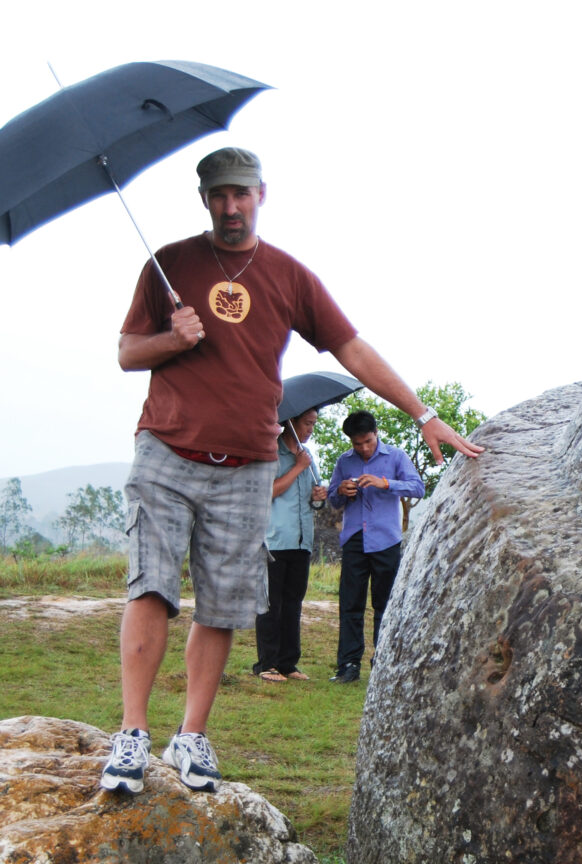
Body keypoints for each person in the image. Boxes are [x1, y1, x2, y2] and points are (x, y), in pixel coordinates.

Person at [100, 147, 482, 796]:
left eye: (240, 193)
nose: (230, 205)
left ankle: (190, 735)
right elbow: (127, 351)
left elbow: (351, 346)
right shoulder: (167, 265)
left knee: (221, 606)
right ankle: (132, 733)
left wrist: (420, 413)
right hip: (166, 450)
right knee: (151, 587)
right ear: (204, 199)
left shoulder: (288, 276)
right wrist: (174, 339)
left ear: (260, 195)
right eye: (218, 194)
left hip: (247, 463)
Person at [328, 410, 424, 684]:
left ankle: (383, 662)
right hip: (355, 539)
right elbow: (334, 501)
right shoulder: (344, 462)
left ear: (376, 433)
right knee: (350, 605)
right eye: (357, 444)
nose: (363, 448)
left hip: (386, 540)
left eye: (368, 441)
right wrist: (341, 491)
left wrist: (385, 483)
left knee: (385, 605)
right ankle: (348, 665)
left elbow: (418, 488)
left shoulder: (396, 457)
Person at [252, 408, 325, 683]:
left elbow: (313, 499)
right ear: (291, 423)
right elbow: (267, 491)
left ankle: (288, 662)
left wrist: (319, 496)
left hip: (301, 541)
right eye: (307, 423)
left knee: (294, 603)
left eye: (313, 424)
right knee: (272, 604)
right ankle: (266, 663)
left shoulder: (307, 457)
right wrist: (297, 468)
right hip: (275, 540)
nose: (310, 429)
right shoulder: (271, 453)